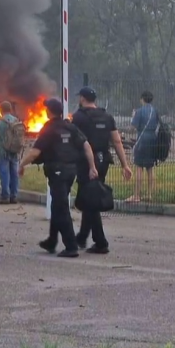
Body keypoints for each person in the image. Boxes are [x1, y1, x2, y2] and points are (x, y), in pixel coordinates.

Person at [19, 98, 98, 258]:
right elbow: (86, 146)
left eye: (46, 108)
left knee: (60, 208)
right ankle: (52, 240)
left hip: (57, 172)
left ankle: (71, 246)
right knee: (57, 206)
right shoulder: (70, 126)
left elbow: (35, 152)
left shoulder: (49, 129)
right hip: (71, 171)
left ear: (49, 111)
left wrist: (21, 165)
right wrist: (92, 167)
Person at [69, 86, 133, 254]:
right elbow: (117, 141)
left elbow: (73, 141)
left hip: (86, 162)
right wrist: (124, 164)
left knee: (90, 200)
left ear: (82, 98)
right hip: (103, 160)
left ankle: (100, 242)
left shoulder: (78, 117)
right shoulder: (107, 116)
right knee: (91, 197)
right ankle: (82, 237)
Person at [129, 90, 159, 202]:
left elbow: (132, 127)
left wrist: (133, 117)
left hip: (142, 141)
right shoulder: (155, 111)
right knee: (150, 168)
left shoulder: (139, 111)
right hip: (153, 141)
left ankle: (136, 195)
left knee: (139, 168)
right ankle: (150, 194)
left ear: (142, 99)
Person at [0, 101, 21, 204]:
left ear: (0, 110)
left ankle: (5, 196)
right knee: (14, 174)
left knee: (4, 174)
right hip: (14, 152)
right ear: (11, 109)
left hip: (3, 152)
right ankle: (14, 196)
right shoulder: (16, 120)